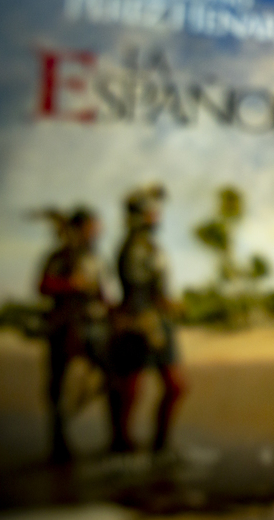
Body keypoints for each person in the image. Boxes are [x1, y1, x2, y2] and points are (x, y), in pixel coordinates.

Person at [109, 184, 184, 453]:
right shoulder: (133, 247)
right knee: (132, 387)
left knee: (176, 386)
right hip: (139, 320)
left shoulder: (150, 246)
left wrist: (167, 304)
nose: (157, 216)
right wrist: (144, 315)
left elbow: (158, 287)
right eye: (152, 211)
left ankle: (161, 443)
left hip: (158, 321)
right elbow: (136, 286)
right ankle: (122, 441)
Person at [38, 207, 108, 463]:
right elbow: (43, 285)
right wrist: (70, 284)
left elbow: (102, 291)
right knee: (57, 384)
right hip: (64, 325)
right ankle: (59, 443)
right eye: (92, 226)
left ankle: (117, 439)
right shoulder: (60, 256)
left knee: (110, 373)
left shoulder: (95, 258)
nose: (97, 231)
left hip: (92, 324)